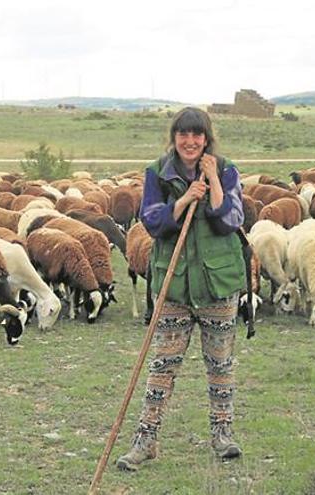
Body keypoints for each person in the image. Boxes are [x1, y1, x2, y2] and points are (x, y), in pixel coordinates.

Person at [117, 107, 247, 471]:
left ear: (206, 139)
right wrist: (186, 199)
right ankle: (146, 439)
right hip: (174, 284)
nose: (190, 141)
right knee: (162, 365)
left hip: (216, 285)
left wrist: (213, 183)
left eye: (197, 135)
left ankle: (223, 434)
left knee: (220, 364)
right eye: (183, 134)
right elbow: (153, 221)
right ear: (174, 138)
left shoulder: (226, 169)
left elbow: (232, 220)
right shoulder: (158, 172)